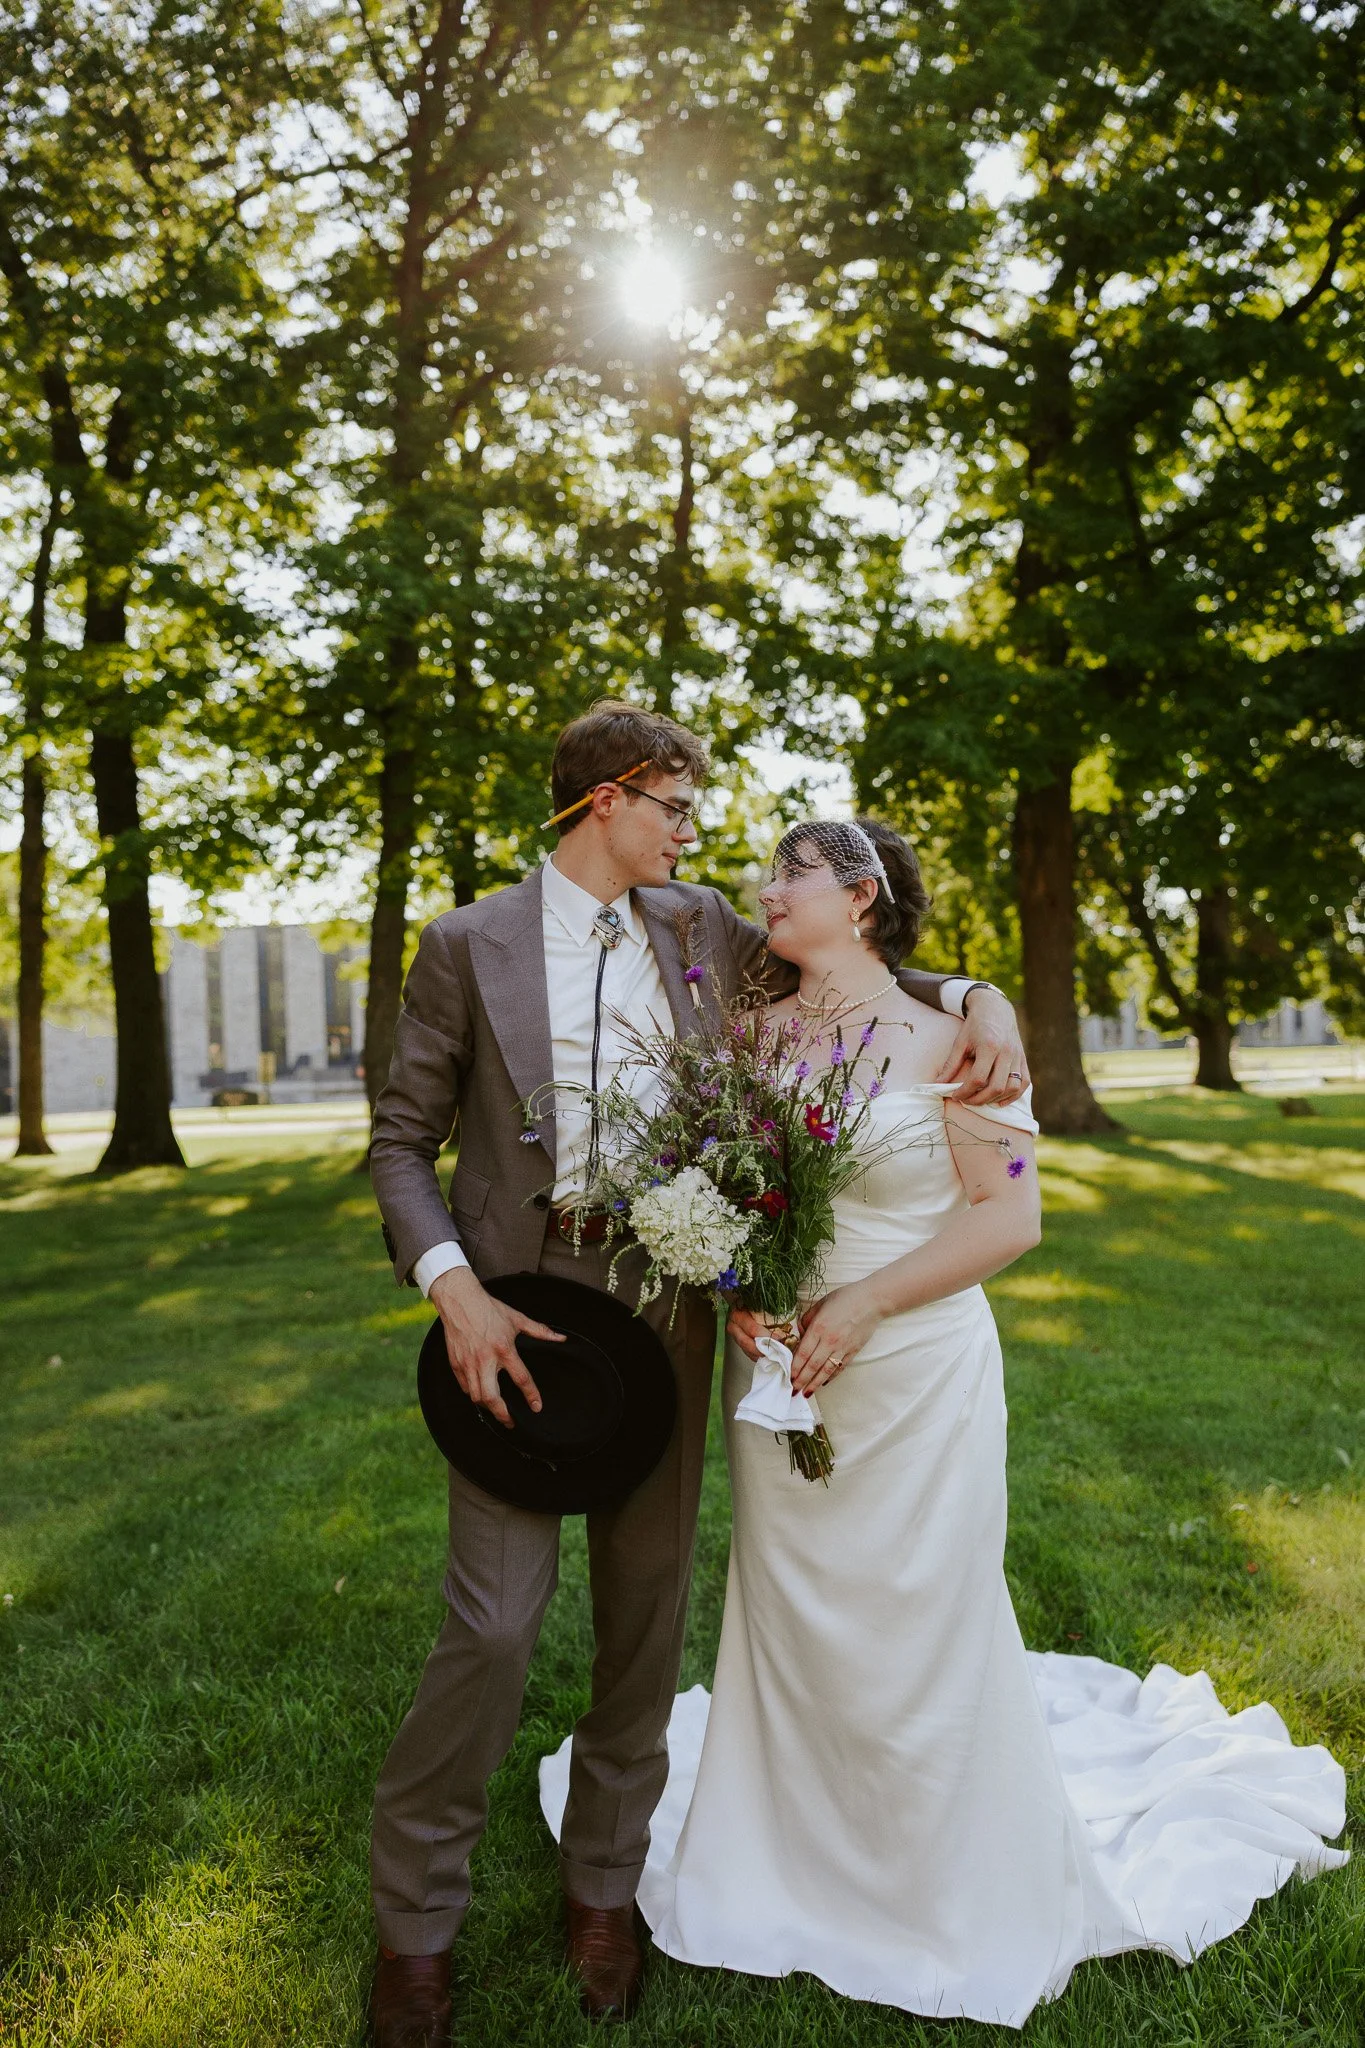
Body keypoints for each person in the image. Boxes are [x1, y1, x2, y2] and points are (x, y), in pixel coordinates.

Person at [541, 817, 1348, 2027]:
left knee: (920, 1608)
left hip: (915, 1367)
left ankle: (941, 1871)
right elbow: (720, 1192)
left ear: (859, 896)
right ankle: (786, 1859)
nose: (766, 889)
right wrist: (745, 1290)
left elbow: (1007, 1223)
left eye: (791, 874)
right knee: (794, 1613)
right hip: (782, 1380)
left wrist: (862, 1298)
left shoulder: (952, 1044)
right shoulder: (748, 1039)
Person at [364, 704, 1030, 2047]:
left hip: (666, 1303)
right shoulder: (463, 944)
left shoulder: (699, 926)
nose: (694, 832)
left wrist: (983, 1000)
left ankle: (603, 1888)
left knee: (645, 1614)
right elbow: (397, 1143)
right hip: (511, 1303)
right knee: (494, 1624)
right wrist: (455, 1293)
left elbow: (868, 962)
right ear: (606, 801)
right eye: (675, 805)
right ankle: (415, 1930)